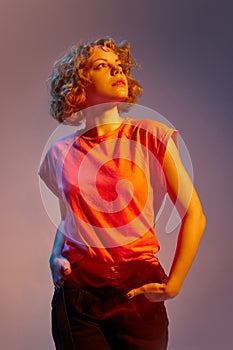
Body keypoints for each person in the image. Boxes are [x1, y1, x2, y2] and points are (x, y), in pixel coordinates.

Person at [38, 37, 206, 350]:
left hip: (138, 293)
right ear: (77, 87)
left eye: (120, 66)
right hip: (78, 299)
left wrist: (174, 284)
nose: (118, 71)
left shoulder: (151, 135)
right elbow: (70, 220)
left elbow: (194, 214)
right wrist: (55, 254)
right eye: (103, 65)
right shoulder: (59, 153)